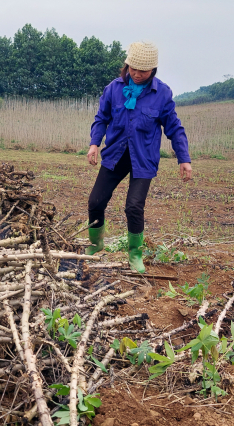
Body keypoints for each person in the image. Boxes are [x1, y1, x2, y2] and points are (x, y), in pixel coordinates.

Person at [85, 41, 192, 273]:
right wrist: (94, 144)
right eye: (133, 68)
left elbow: (173, 127)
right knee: (95, 201)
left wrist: (184, 158)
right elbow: (101, 118)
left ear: (153, 70)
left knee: (133, 206)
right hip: (115, 154)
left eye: (143, 71)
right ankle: (95, 244)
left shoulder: (161, 93)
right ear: (127, 65)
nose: (136, 73)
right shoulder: (113, 88)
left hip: (143, 158)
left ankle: (134, 254)